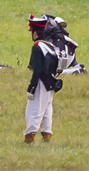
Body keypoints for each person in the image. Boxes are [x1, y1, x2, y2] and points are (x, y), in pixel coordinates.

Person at [26, 14, 73, 142]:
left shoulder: (37, 47)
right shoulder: (51, 46)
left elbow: (37, 70)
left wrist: (32, 87)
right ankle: (46, 134)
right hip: (51, 81)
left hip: (42, 81)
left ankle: (30, 135)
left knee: (34, 109)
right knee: (47, 109)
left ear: (35, 33)